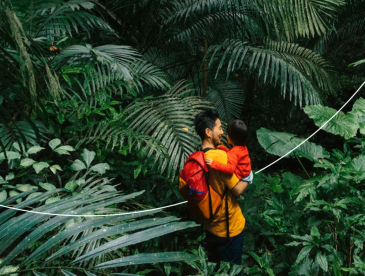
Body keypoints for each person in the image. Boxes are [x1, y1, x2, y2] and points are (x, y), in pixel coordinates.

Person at [194, 109, 248, 266]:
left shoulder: (200, 155)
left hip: (211, 228)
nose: (223, 132)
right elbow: (237, 190)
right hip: (230, 229)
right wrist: (248, 176)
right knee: (231, 270)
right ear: (208, 132)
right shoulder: (219, 158)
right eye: (219, 128)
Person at [205, 119, 253, 185]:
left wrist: (213, 164)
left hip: (244, 177)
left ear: (232, 138)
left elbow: (230, 169)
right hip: (248, 171)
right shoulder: (242, 147)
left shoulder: (234, 153)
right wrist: (222, 148)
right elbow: (234, 154)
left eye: (228, 134)